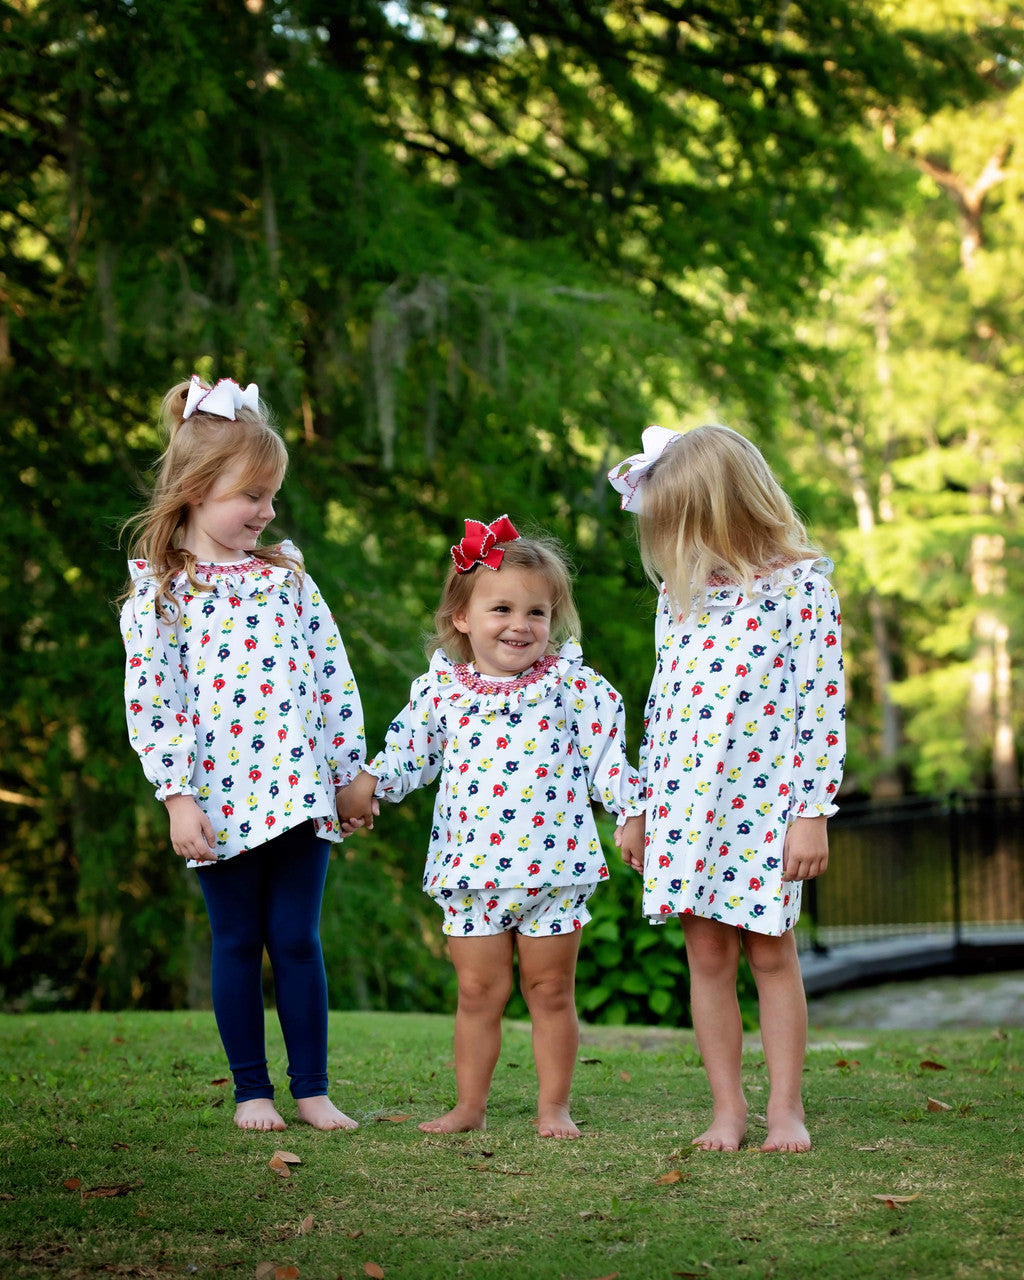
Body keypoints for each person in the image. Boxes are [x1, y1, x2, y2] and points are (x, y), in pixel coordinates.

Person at [339, 516, 644, 1139]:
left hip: (554, 870)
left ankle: (553, 1106)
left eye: (537, 612)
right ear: (462, 616)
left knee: (550, 990)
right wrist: (366, 789)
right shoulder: (442, 692)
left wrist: (631, 813)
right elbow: (406, 754)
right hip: (470, 870)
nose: (519, 625)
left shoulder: (572, 688)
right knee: (479, 992)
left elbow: (607, 758)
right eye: (501, 608)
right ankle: (468, 1106)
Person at [120, 375, 365, 1133]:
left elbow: (330, 671)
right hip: (218, 798)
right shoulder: (160, 593)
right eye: (250, 496)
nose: (264, 512)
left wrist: (349, 768)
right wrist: (175, 795)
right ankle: (252, 1092)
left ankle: (313, 1089)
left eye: (271, 497)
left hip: (296, 787)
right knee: (237, 941)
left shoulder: (285, 579)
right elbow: (155, 703)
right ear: (195, 490)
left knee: (295, 938)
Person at [608, 424, 846, 1153]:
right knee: (706, 956)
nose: (674, 545)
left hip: (765, 808)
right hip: (684, 806)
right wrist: (640, 807)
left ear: (727, 509)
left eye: (682, 527)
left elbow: (822, 707)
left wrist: (812, 813)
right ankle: (727, 1110)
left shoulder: (802, 589)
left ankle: (785, 1110)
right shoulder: (678, 598)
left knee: (771, 954)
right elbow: (664, 706)